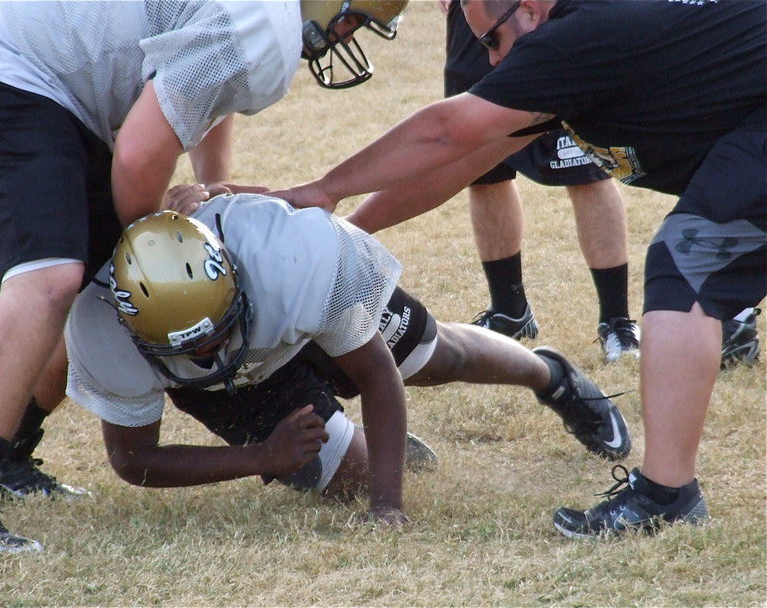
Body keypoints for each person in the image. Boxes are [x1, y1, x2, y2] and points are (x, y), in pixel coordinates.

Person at [270, 0, 766, 538]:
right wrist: (349, 234)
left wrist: (323, 190)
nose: (490, 64)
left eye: (492, 43)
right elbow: (462, 161)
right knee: (688, 257)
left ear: (529, 10)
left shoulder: (575, 35)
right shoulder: (573, 44)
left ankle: (667, 499)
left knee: (683, 264)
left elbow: (445, 132)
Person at [0, 0, 408, 552]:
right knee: (50, 279)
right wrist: (156, 250)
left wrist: (210, 193)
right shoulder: (268, 26)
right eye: (352, 19)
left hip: (42, 84)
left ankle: (6, 455)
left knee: (85, 285)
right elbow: (137, 155)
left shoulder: (256, 22)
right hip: (8, 72)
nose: (346, 36)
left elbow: (198, 92)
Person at [63, 192, 630, 535]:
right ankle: (373, 442)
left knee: (433, 359)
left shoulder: (297, 261)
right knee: (349, 477)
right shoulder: (100, 329)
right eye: (189, 348)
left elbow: (377, 373)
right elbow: (133, 459)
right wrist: (259, 457)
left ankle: (549, 375)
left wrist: (389, 506)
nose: (210, 353)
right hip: (238, 385)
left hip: (295, 317)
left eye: (216, 331)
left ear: (233, 277)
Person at [450, 0, 638, 361]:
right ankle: (510, 311)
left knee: (585, 164)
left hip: (535, 11)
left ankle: (617, 321)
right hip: (476, 13)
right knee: (481, 165)